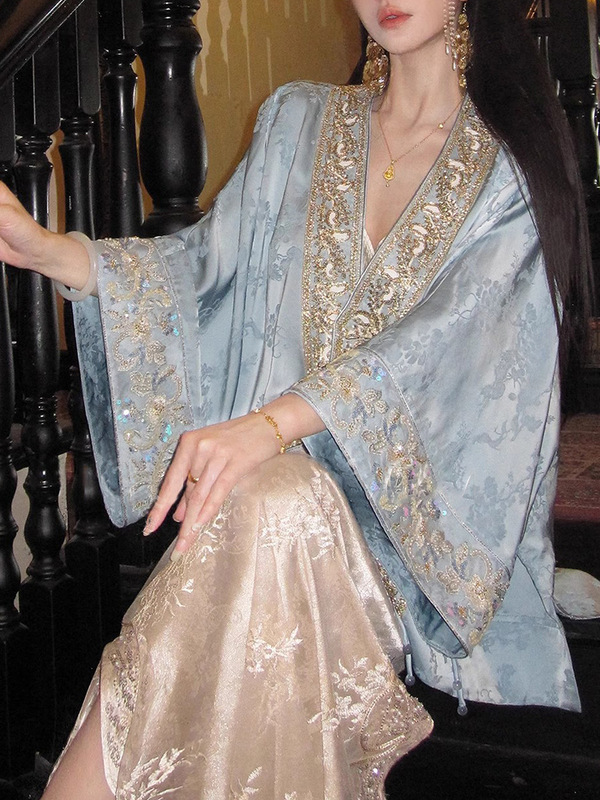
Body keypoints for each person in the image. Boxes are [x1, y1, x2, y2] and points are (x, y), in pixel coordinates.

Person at [0, 0, 592, 797]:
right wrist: (56, 254)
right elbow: (200, 273)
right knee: (268, 502)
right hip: (253, 515)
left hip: (399, 550)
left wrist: (269, 427)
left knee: (270, 501)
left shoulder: (506, 173)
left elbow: (445, 348)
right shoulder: (296, 123)